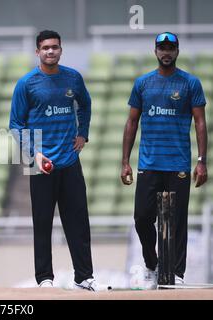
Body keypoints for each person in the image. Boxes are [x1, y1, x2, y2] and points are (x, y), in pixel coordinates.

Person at [9, 30, 110, 291]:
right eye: (45, 48)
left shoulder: (73, 78)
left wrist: (83, 133)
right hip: (40, 163)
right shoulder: (26, 84)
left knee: (78, 222)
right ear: (37, 52)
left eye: (54, 47)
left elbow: (85, 106)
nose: (50, 51)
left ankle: (83, 277)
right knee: (42, 223)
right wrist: (34, 153)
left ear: (61, 50)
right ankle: (44, 278)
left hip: (69, 162)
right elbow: (15, 125)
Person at [121, 32, 208, 289]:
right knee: (142, 217)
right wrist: (125, 161)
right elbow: (132, 122)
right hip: (149, 163)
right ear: (155, 51)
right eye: (162, 48)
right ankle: (151, 262)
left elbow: (200, 123)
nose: (166, 52)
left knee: (175, 220)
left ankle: (175, 274)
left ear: (177, 51)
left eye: (171, 48)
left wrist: (202, 161)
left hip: (178, 164)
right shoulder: (143, 83)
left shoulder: (190, 83)